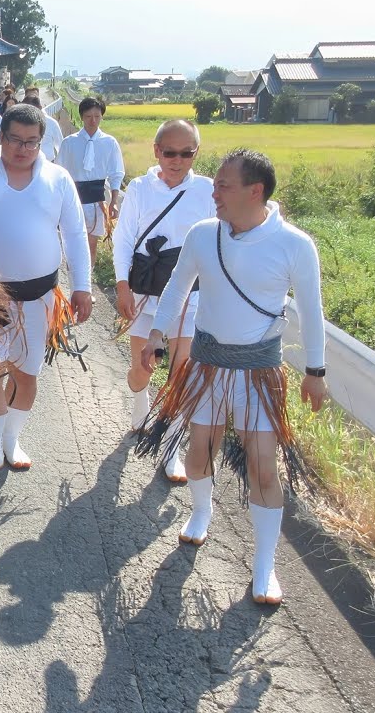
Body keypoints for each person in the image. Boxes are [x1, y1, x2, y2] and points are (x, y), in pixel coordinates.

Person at [137, 149, 328, 606]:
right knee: (201, 448)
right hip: (206, 366)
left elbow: (314, 314)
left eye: (223, 185)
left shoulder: (295, 245)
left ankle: (264, 567)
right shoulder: (203, 235)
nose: (214, 192)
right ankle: (201, 513)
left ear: (254, 191)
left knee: (263, 465)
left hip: (260, 372)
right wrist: (157, 334)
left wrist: (315, 372)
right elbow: (176, 288)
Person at [0, 104, 92, 486]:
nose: (23, 148)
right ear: (1, 137)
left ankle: (11, 441)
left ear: (41, 142)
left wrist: (83, 286)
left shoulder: (58, 179)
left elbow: (76, 234)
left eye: (32, 142)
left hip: (40, 298)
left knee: (27, 375)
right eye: (15, 139)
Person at [113, 120, 216, 483]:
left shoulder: (207, 191)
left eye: (186, 153)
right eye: (169, 152)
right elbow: (123, 239)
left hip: (190, 295)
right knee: (142, 369)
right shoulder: (140, 189)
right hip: (145, 291)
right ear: (156, 152)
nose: (177, 160)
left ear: (195, 154)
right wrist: (122, 286)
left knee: (181, 376)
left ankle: (171, 445)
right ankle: (139, 402)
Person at [55, 96, 125, 263]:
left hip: (97, 201)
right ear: (81, 117)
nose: (93, 121)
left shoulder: (109, 143)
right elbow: (59, 174)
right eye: (88, 116)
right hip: (74, 199)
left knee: (92, 243)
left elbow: (116, 174)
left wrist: (114, 202)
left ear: (101, 116)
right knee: (73, 244)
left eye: (97, 116)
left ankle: (87, 283)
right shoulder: (69, 143)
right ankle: (74, 282)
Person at [22, 95, 63, 161]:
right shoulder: (20, 124)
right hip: (26, 163)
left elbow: (61, 146)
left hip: (48, 164)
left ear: (40, 108)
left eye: (31, 109)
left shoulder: (51, 123)